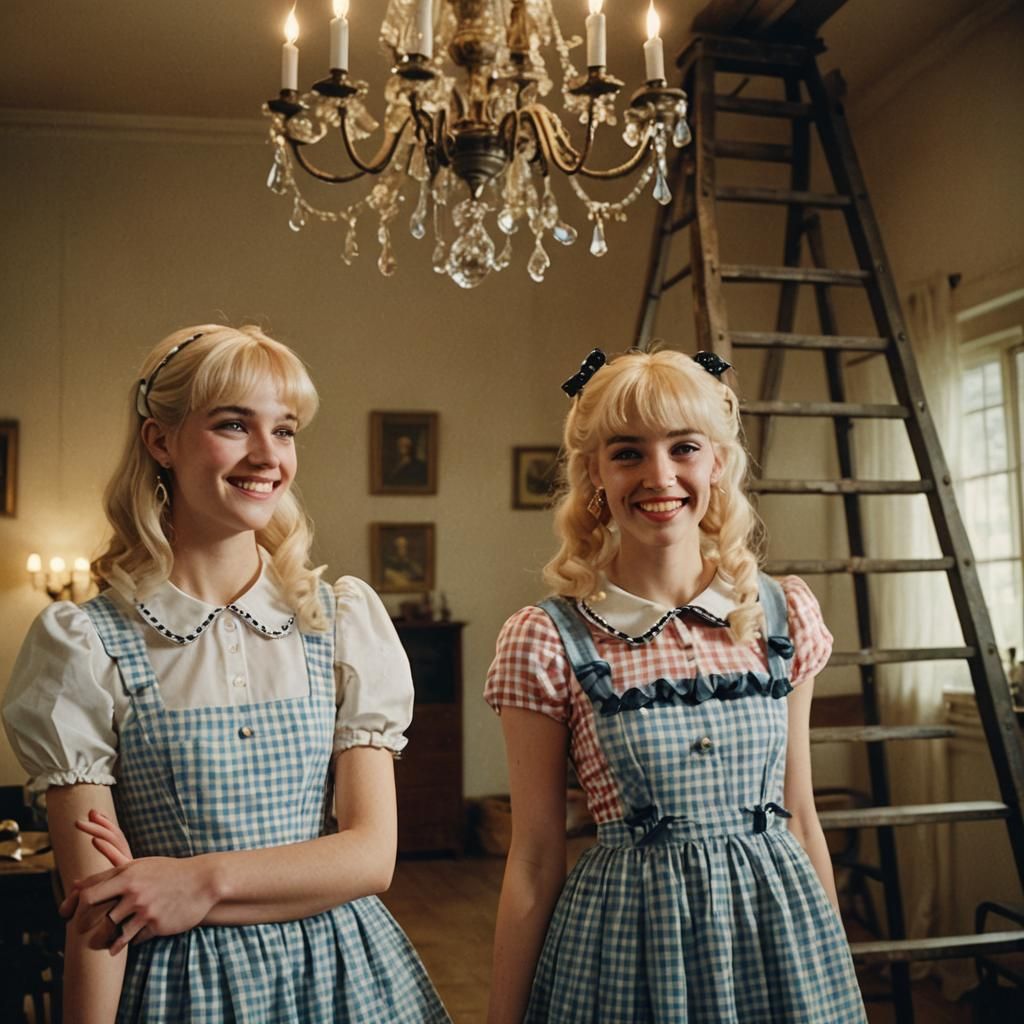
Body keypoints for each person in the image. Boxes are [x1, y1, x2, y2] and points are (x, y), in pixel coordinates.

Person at [2, 325, 450, 1024]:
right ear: (160, 441)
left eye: (286, 429)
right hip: (180, 992)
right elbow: (98, 917)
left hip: (341, 979)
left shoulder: (339, 624)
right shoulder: (85, 646)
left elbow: (369, 858)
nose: (269, 457)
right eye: (234, 425)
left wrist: (192, 881)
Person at [485, 347, 867, 1023]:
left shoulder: (781, 613)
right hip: (627, 953)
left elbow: (800, 816)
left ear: (716, 462)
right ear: (595, 473)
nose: (659, 476)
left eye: (683, 447)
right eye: (628, 452)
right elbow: (536, 858)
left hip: (778, 942)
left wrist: (831, 984)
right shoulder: (547, 638)